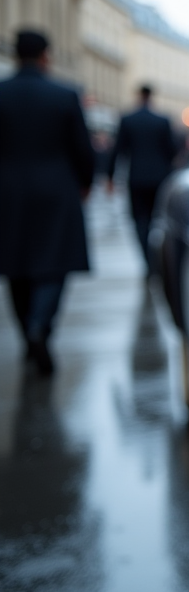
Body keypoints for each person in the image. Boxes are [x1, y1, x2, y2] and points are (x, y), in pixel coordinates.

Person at [0, 30, 96, 375]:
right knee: (53, 265)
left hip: (8, 192)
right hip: (57, 189)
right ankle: (41, 325)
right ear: (45, 56)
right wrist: (86, 183)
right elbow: (83, 149)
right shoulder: (65, 95)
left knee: (16, 267)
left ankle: (29, 333)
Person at [107, 85, 178, 273]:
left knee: (140, 220)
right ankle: (155, 257)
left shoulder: (128, 119)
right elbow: (172, 149)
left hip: (137, 178)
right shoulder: (162, 120)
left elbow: (118, 150)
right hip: (160, 178)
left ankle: (147, 259)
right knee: (159, 218)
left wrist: (109, 176)